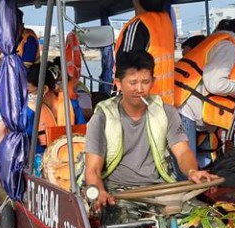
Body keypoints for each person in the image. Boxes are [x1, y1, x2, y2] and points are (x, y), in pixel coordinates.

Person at [85, 50, 212, 210]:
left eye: (145, 82)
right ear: (118, 84)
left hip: (160, 188)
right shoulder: (102, 117)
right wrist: (100, 191)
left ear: (153, 81)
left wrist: (193, 171)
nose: (139, 88)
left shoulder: (166, 112)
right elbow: (93, 170)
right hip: (119, 192)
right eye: (132, 83)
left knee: (206, 224)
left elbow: (183, 152)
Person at [175, 14, 235, 167]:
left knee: (201, 165)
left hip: (188, 107)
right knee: (187, 171)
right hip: (185, 110)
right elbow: (214, 84)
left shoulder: (223, 41)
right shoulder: (228, 46)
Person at [114, 0, 175, 105]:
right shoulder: (166, 23)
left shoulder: (139, 25)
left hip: (141, 105)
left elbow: (126, 66)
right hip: (165, 104)